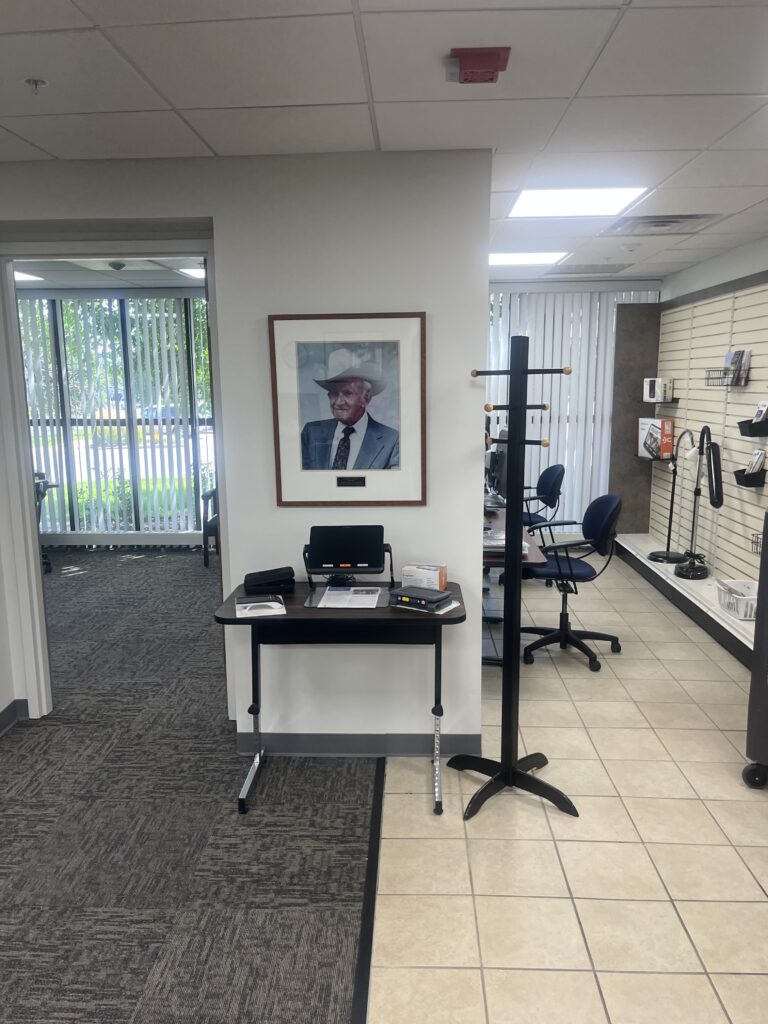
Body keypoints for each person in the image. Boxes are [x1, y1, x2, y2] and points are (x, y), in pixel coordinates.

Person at [301, 349, 399, 470]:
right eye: (334, 393)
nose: (339, 402)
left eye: (347, 393)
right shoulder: (311, 433)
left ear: (366, 398)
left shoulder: (391, 440)